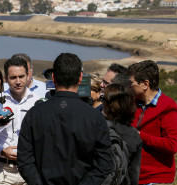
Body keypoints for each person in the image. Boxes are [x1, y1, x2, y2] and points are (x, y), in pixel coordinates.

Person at [17, 53, 113, 185]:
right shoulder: (95, 117)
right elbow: (104, 163)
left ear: (54, 77)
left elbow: (25, 160)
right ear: (80, 78)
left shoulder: (34, 114)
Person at [0, 57, 40, 185]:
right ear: (5, 78)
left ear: (28, 76)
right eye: (13, 77)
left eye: (21, 76)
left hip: (31, 169)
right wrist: (1, 150)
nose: (18, 81)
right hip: (2, 170)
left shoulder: (38, 103)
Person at [127, 60, 177, 184]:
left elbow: (172, 145)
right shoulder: (132, 103)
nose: (129, 86)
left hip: (156, 179)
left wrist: (140, 136)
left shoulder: (168, 107)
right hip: (133, 177)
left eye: (131, 83)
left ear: (145, 84)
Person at [102, 83, 142, 185]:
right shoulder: (134, 135)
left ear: (108, 104)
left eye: (104, 99)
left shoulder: (97, 128)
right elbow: (134, 173)